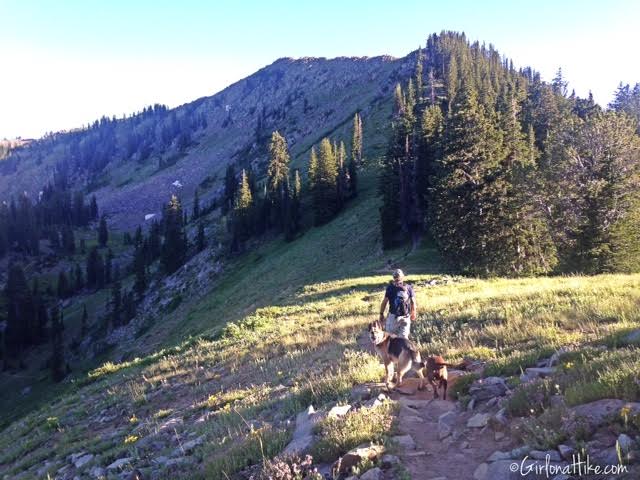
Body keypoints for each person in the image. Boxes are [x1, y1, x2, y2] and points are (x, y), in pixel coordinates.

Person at [379, 269, 416, 338]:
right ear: (402, 277)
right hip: (406, 317)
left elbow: (384, 302)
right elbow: (413, 302)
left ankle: (392, 348)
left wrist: (381, 314)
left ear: (394, 277)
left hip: (393, 317)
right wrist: (413, 313)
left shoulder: (390, 288)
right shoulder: (408, 287)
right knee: (404, 339)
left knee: (390, 337)